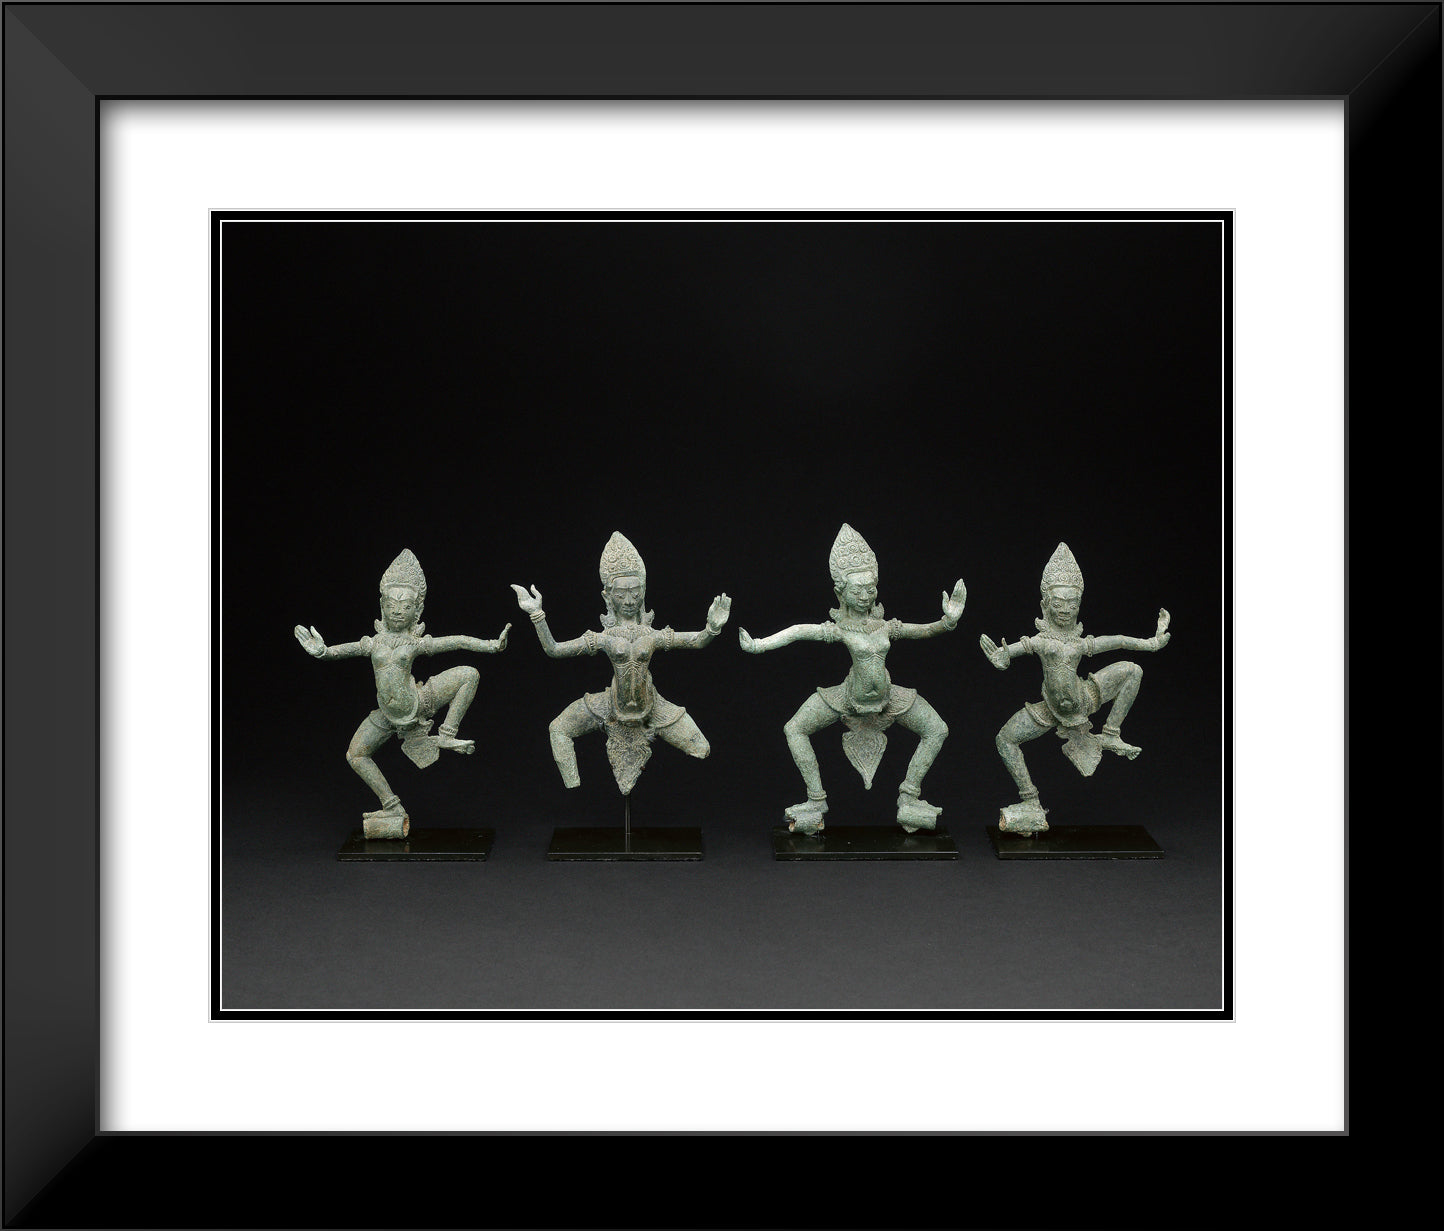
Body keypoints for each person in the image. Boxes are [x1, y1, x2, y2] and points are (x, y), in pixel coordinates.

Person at [738, 523, 966, 835]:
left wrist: (948, 621)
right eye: (857, 590)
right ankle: (816, 800)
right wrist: (759, 645)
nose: (864, 596)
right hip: (847, 699)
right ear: (841, 593)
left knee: (937, 729)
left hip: (889, 699)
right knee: (795, 729)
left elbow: (923, 631)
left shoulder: (885, 626)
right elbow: (798, 631)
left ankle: (909, 796)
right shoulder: (840, 629)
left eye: (870, 589)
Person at [295, 548, 510, 837]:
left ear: (416, 612)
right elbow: (337, 652)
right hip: (386, 715)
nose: (398, 611)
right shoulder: (372, 643)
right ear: (382, 607)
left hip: (419, 703)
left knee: (469, 674)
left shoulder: (415, 643)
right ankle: (392, 806)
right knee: (355, 755)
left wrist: (491, 645)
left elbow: (457, 640)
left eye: (405, 606)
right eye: (392, 604)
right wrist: (322, 651)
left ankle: (447, 734)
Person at [512, 531, 730, 795]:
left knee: (701, 747)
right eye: (621, 594)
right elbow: (554, 649)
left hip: (653, 708)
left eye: (635, 593)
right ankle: (573, 784)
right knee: (558, 729)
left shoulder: (652, 635)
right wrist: (537, 613)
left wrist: (712, 627)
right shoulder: (603, 638)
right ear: (608, 597)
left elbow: (697, 642)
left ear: (643, 593)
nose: (628, 601)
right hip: (609, 706)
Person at [979, 541, 1170, 834]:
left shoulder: (1081, 644)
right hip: (1049, 710)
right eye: (1058, 604)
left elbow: (1118, 640)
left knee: (1133, 670)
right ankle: (1030, 800)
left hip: (1086, 698)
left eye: (1071, 604)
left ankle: (1111, 733)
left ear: (1079, 606)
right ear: (1045, 605)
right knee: (1005, 739)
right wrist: (1001, 659)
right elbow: (1012, 652)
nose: (1065, 610)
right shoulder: (1041, 641)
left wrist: (1152, 643)